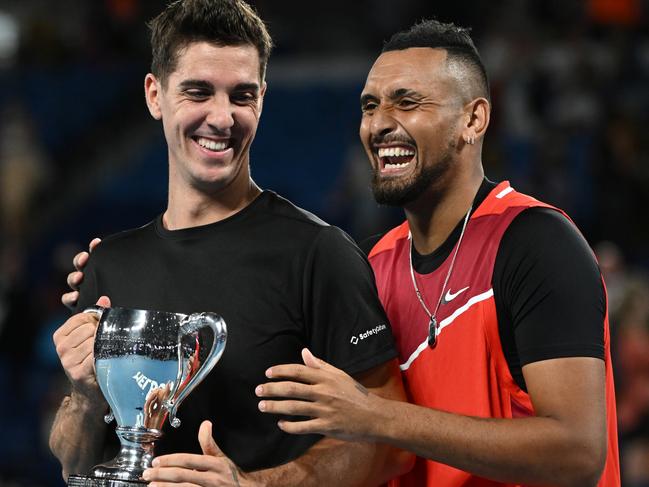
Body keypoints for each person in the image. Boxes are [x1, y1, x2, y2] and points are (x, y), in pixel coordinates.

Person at [50, 1, 413, 485]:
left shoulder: (318, 254)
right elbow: (72, 464)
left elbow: (391, 445)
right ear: (155, 95)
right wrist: (84, 395)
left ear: (262, 98)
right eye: (198, 92)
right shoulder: (108, 265)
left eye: (241, 95)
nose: (222, 118)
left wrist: (252, 485)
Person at [251, 20, 621, 486]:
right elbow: (366, 452)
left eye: (407, 102)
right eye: (370, 106)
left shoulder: (536, 243)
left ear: (473, 119)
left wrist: (378, 418)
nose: (380, 123)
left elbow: (577, 454)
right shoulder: (369, 266)